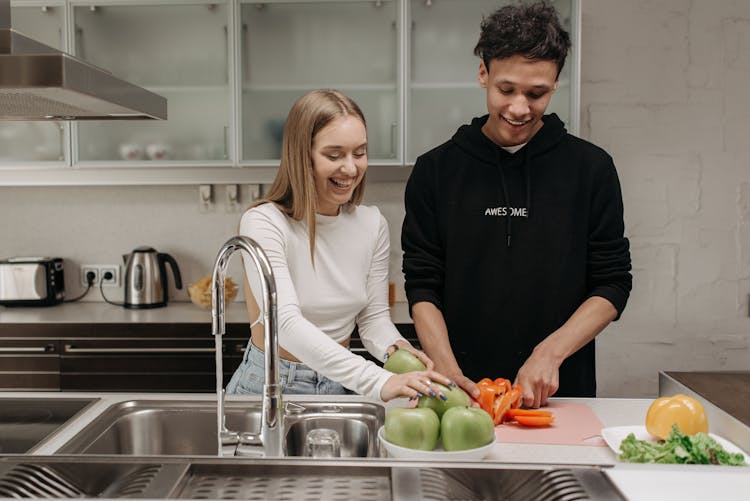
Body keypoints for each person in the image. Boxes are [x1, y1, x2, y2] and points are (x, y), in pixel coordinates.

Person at [401, 1, 632, 408]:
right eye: (506, 89)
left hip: (559, 396)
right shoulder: (435, 170)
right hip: (461, 398)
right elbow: (423, 285)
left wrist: (550, 353)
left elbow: (612, 284)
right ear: (483, 74)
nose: (519, 108)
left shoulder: (591, 169)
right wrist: (448, 370)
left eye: (536, 93)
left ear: (556, 83)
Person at [226, 89, 452, 402]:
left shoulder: (371, 225)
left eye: (359, 153)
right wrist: (377, 380)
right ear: (302, 156)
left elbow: (373, 321)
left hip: (338, 383)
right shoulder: (264, 223)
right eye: (334, 155)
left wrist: (396, 349)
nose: (350, 168)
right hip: (269, 386)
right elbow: (287, 325)